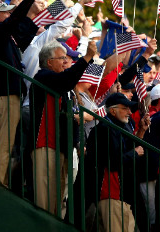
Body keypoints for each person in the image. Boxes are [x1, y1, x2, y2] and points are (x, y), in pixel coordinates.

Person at [0, 0, 43, 187]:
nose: (9, 16)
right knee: (4, 142)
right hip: (4, 94)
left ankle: (1, 180)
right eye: (5, 13)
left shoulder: (2, 37)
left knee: (6, 142)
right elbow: (14, 22)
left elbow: (20, 31)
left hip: (9, 95)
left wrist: (32, 12)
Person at [30, 38, 97, 215]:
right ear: (49, 62)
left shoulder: (61, 85)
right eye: (62, 58)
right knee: (44, 200)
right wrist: (88, 57)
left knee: (58, 200)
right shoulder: (43, 76)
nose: (66, 61)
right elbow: (66, 80)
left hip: (59, 146)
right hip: (44, 144)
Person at [84, 93, 150, 232]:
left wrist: (141, 132)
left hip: (120, 194)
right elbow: (114, 161)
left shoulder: (115, 128)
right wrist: (135, 153)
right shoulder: (105, 128)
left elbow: (124, 149)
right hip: (110, 192)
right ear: (113, 110)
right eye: (125, 108)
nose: (130, 112)